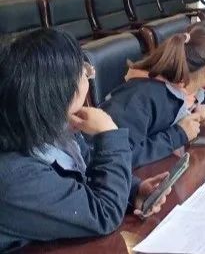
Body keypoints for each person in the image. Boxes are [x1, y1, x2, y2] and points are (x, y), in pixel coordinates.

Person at [0, 29, 170, 251]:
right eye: (84, 73)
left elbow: (87, 170)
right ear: (57, 92)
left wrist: (134, 190)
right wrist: (109, 134)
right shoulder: (15, 176)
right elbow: (104, 214)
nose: (89, 76)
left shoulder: (49, 126)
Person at [102, 22, 205, 167]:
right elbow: (117, 158)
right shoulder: (140, 97)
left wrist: (193, 112)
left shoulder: (188, 92)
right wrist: (178, 134)